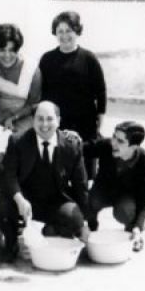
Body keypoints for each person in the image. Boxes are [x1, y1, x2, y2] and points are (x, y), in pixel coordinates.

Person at [0, 101, 89, 263]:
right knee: (2, 203)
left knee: (73, 218)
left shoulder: (71, 146)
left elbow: (81, 185)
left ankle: (49, 232)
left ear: (58, 120)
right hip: (25, 201)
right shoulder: (17, 141)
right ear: (33, 120)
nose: (44, 124)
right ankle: (11, 244)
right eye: (40, 119)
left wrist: (85, 222)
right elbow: (8, 175)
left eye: (50, 119)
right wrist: (19, 199)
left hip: (57, 201)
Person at [38, 11, 107, 180]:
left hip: (85, 122)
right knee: (58, 167)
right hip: (58, 121)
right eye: (60, 31)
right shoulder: (47, 59)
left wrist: (100, 116)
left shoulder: (89, 58)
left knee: (85, 171)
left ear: (77, 31)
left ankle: (83, 202)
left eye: (69, 30)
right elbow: (42, 92)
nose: (64, 35)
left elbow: (101, 90)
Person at [84, 121, 145, 252]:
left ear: (134, 147)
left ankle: (130, 233)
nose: (113, 143)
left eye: (120, 141)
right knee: (90, 201)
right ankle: (91, 226)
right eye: (114, 137)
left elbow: (144, 201)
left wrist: (138, 228)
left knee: (126, 211)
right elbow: (82, 149)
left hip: (125, 197)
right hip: (102, 191)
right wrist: (69, 139)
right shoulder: (107, 146)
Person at [0, 24, 41, 134]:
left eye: (12, 50)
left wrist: (14, 118)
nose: (7, 55)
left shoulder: (32, 70)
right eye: (2, 50)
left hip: (21, 117)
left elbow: (33, 104)